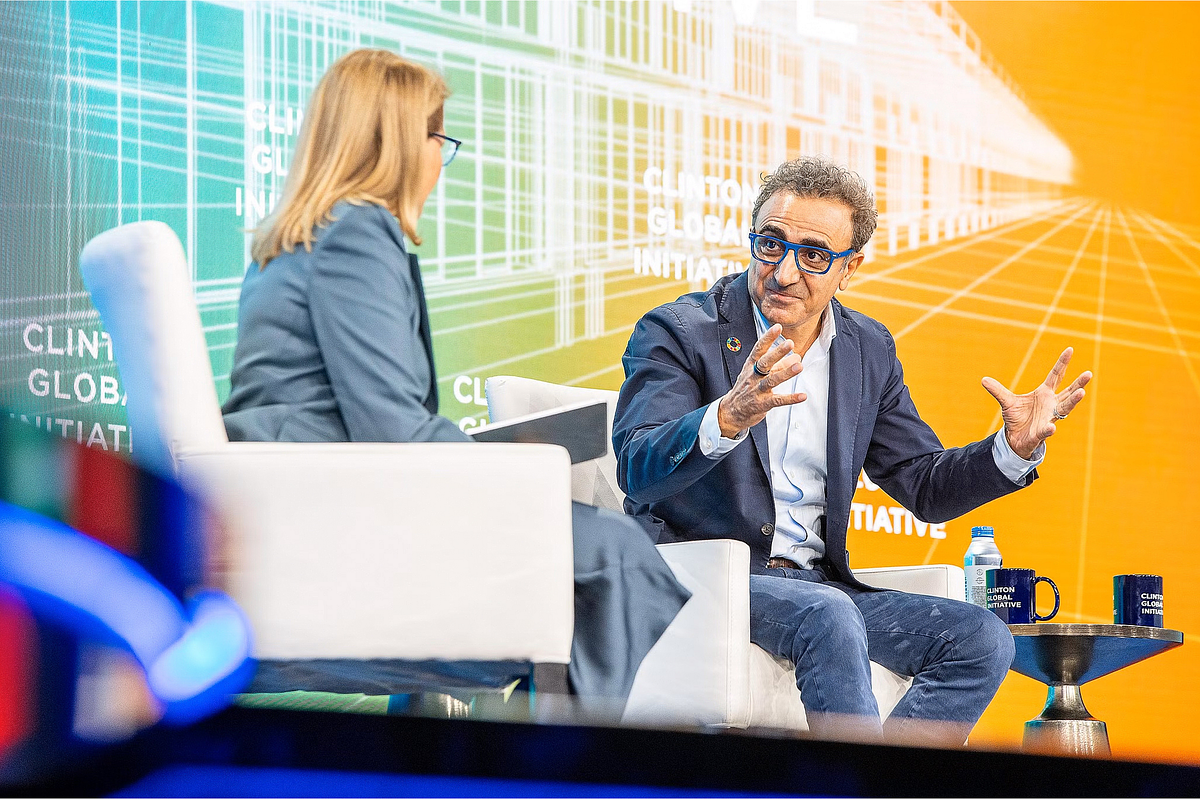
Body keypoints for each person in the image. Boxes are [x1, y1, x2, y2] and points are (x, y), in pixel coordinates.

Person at [221, 48, 689, 714]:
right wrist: (508, 474)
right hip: (332, 513)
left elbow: (365, 412)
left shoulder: (297, 240)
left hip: (308, 494)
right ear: (398, 141)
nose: (442, 158)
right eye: (439, 138)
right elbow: (391, 428)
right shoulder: (358, 232)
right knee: (617, 556)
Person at [612, 156, 1091, 744]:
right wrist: (727, 416)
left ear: (851, 267)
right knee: (829, 616)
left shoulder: (867, 349)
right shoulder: (680, 330)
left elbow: (921, 485)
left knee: (980, 638)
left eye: (813, 255)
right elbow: (638, 467)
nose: (784, 271)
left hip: (815, 583)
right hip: (705, 572)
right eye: (770, 244)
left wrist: (1010, 450)